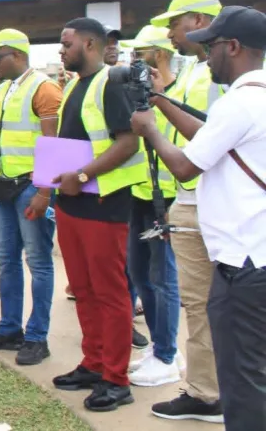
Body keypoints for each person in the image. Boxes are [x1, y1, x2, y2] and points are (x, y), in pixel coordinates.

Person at [130, 5, 266, 430]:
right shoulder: (257, 96)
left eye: (211, 47)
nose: (206, 57)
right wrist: (161, 102)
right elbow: (209, 140)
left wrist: (149, 128)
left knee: (242, 380)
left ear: (234, 46)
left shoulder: (241, 101)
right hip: (255, 254)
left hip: (243, 263)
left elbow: (187, 166)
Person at [50, 18, 147, 413]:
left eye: (66, 43)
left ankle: (116, 379)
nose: (61, 50)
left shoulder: (112, 83)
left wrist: (85, 174)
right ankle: (93, 363)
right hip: (72, 203)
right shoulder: (74, 85)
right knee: (83, 289)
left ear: (89, 44)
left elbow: (128, 143)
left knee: (110, 293)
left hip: (104, 203)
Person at [144, 0, 226, 422]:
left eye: (174, 24)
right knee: (199, 303)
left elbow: (209, 136)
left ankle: (216, 391)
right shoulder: (199, 69)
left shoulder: (228, 69)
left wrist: (158, 106)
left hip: (216, 199)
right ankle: (205, 391)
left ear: (197, 21)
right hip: (190, 197)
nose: (169, 35)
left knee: (229, 302)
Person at [0, 29, 62, 367]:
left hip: (30, 189)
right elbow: (3, 127)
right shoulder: (4, 89)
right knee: (6, 261)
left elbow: (54, 145)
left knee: (38, 263)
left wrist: (44, 192)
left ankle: (37, 337)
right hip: (5, 186)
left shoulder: (45, 89)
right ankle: (10, 329)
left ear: (19, 55)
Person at [118, 26, 183, 387]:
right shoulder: (140, 95)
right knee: (141, 275)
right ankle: (161, 345)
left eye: (138, 54)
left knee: (163, 279)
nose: (132, 61)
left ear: (157, 55)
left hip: (168, 198)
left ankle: (168, 354)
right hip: (140, 194)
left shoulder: (176, 93)